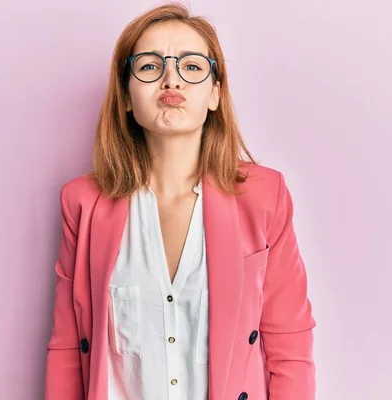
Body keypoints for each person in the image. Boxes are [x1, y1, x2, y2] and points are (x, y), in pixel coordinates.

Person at [44, 2, 316, 400]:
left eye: (191, 66)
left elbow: (289, 342)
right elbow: (68, 346)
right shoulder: (82, 204)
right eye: (151, 67)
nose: (171, 79)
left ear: (214, 94)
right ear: (125, 95)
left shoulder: (264, 197)